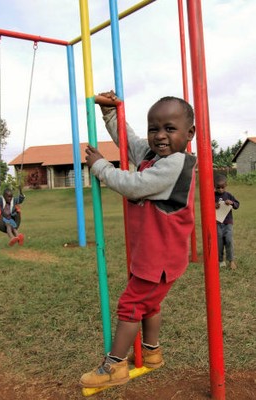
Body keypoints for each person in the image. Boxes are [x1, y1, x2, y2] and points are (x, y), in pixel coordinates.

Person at [80, 91, 196, 389]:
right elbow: (129, 141)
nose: (160, 136)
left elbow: (134, 185)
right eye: (153, 129)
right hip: (154, 254)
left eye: (170, 129)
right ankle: (152, 353)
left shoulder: (175, 164)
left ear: (189, 133)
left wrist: (100, 167)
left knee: (130, 305)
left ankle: (114, 367)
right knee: (150, 306)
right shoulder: (155, 154)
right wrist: (110, 114)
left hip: (160, 256)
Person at [214, 174, 239, 270]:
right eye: (218, 188)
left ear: (226, 185)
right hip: (217, 223)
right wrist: (214, 205)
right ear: (214, 187)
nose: (220, 190)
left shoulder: (229, 195)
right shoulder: (212, 196)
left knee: (229, 240)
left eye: (222, 187)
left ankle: (231, 260)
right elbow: (207, 208)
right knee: (219, 242)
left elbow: (237, 204)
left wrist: (232, 203)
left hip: (228, 223)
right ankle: (220, 260)